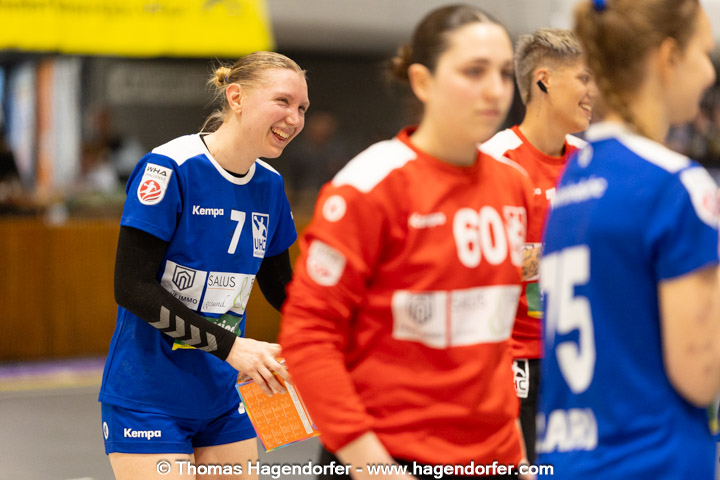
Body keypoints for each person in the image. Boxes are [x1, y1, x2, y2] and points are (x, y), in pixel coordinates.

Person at [280, 5, 536, 480]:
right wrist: (373, 466)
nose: (495, 90)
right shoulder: (371, 185)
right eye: (474, 71)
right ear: (422, 81)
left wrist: (516, 457)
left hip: (493, 459)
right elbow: (309, 336)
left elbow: (494, 335)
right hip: (389, 458)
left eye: (504, 73)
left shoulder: (512, 185)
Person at [98, 51, 309, 480]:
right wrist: (233, 348)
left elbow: (282, 286)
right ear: (237, 97)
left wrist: (342, 336)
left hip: (223, 395)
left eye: (303, 108)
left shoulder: (270, 185)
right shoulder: (170, 167)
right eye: (283, 101)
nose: (295, 118)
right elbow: (132, 287)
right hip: (149, 397)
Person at [537, 0, 720, 478]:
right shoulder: (676, 184)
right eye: (704, 54)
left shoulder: (573, 179)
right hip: (653, 461)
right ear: (668, 57)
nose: (709, 73)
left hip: (570, 461)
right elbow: (700, 376)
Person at [480, 28, 598, 463]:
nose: (594, 92)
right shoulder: (494, 161)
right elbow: (481, 270)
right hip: (513, 360)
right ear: (543, 80)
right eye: (584, 78)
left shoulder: (592, 161)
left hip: (581, 358)